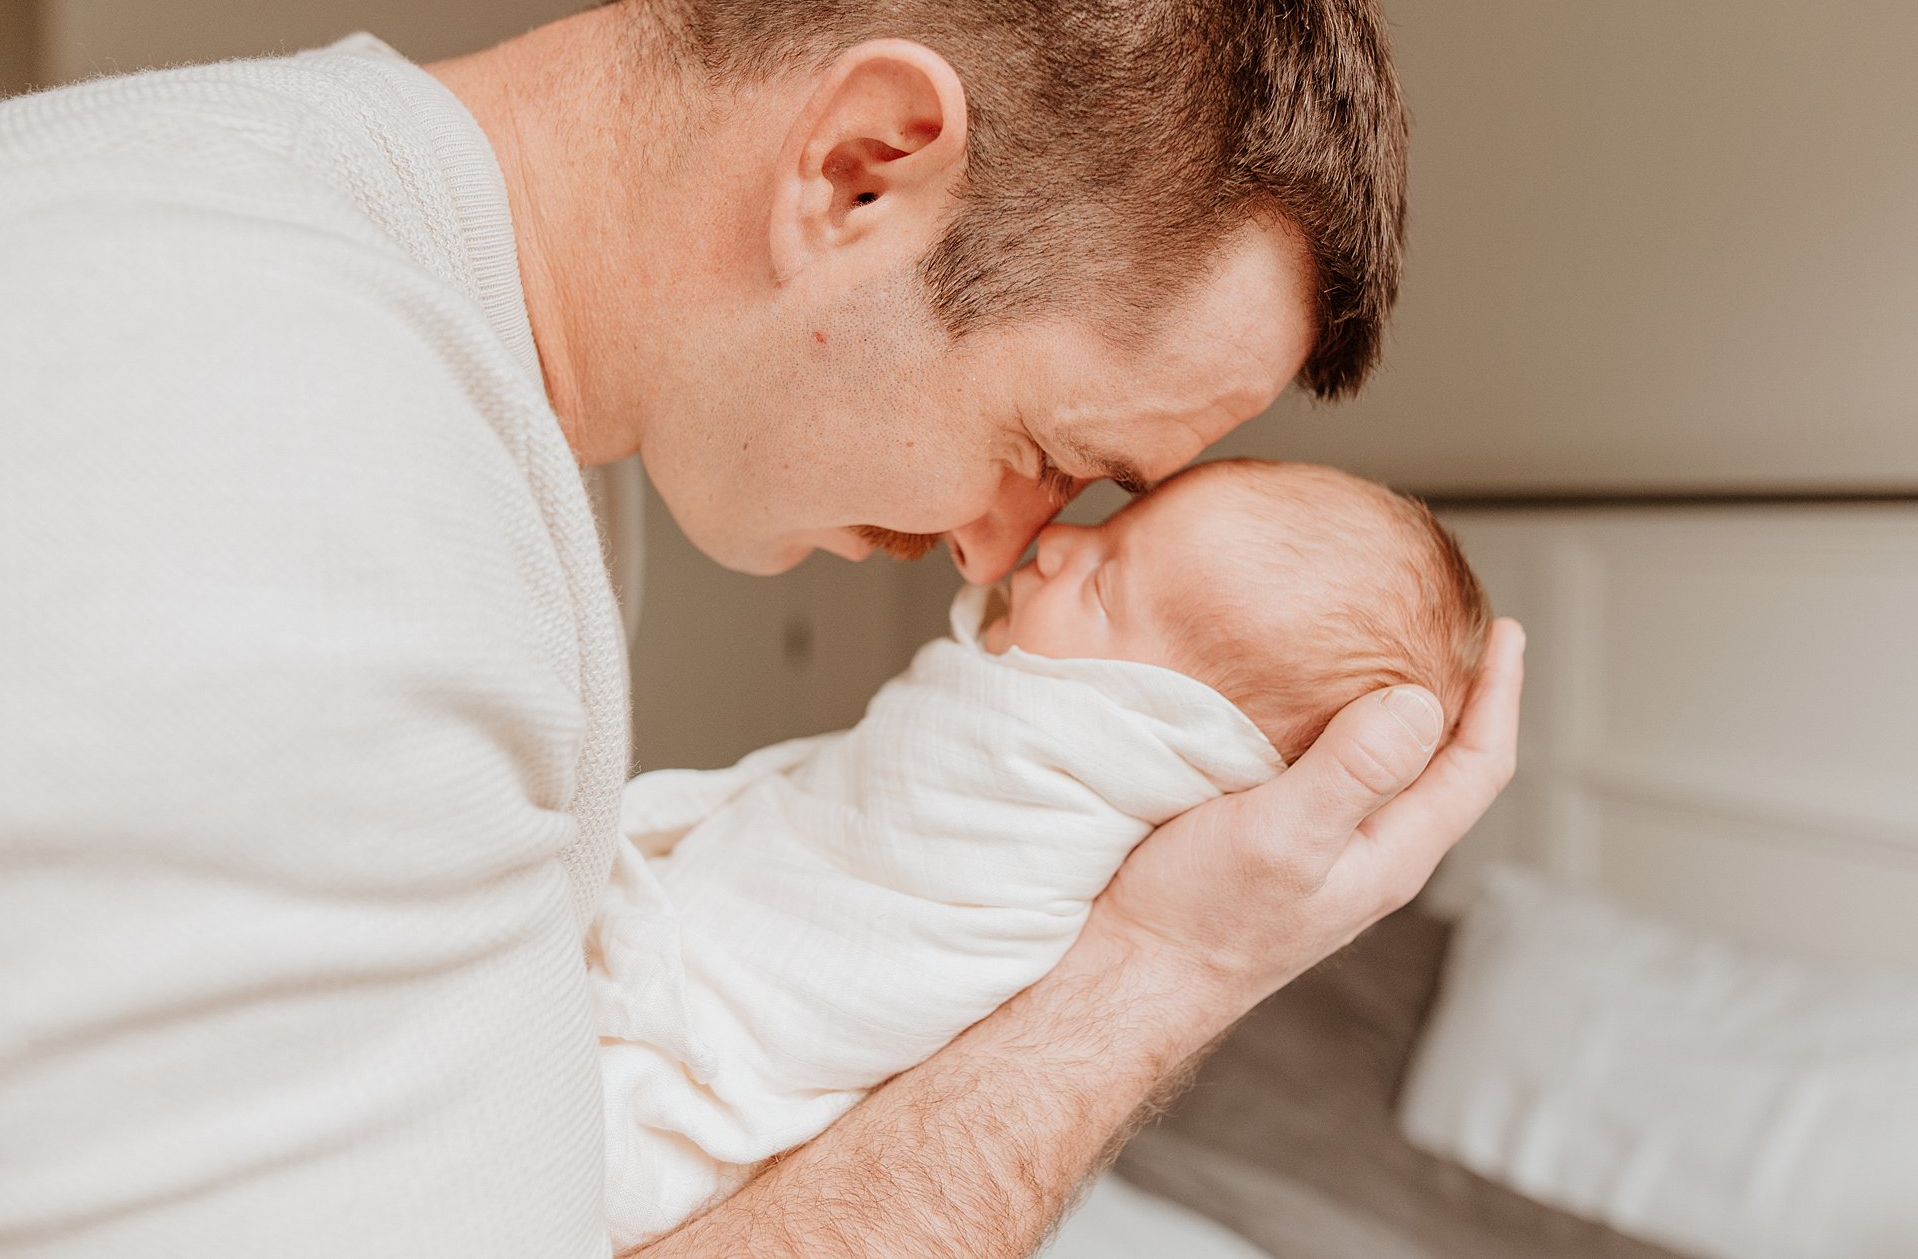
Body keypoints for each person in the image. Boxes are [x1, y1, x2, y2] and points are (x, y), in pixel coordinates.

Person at [0, 0, 1523, 1254]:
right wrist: (1163, 974)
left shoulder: (283, 249)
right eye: (1041, 445)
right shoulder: (307, 483)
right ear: (860, 166)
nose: (1008, 546)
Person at [594, 458, 1491, 1249]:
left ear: (1174, 731)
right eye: (1106, 532)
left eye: (1103, 587)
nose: (1057, 543)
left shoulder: (1063, 779)